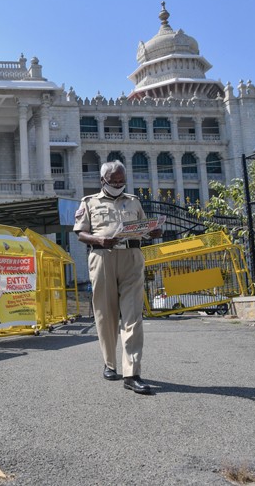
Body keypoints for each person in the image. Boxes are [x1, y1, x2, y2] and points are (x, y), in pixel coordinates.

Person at [72, 160, 162, 395]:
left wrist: (153, 231)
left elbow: (144, 226)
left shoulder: (133, 201)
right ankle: (110, 363)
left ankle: (132, 373)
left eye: (122, 181)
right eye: (114, 181)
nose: (119, 185)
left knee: (133, 314)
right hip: (102, 257)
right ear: (103, 181)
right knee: (105, 313)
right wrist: (98, 240)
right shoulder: (89, 202)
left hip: (131, 256)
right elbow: (80, 233)